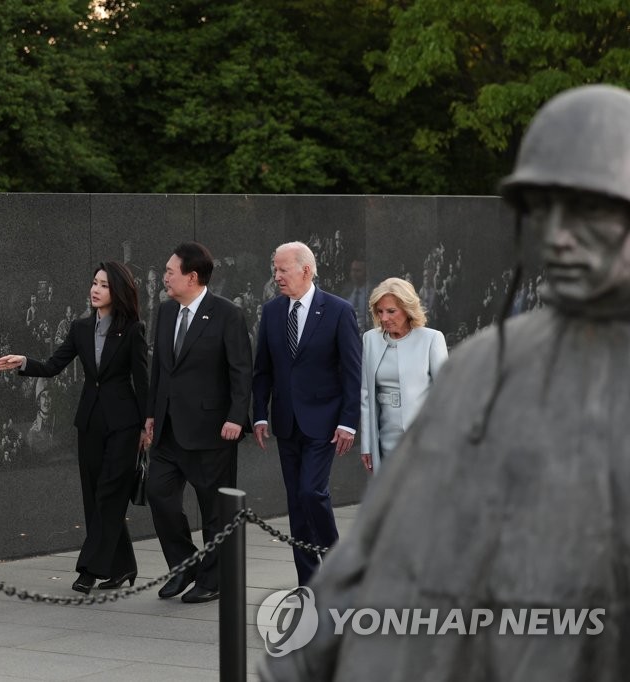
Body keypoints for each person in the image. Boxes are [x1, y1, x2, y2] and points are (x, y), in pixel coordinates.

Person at [261, 84, 630, 682]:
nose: (559, 235)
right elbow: (384, 541)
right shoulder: (489, 364)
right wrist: (306, 656)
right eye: (544, 210)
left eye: (586, 212)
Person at [0, 261, 149, 594]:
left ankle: (89, 569)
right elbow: (53, 366)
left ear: (117, 291)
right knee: (94, 497)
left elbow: (143, 381)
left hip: (124, 426)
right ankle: (124, 567)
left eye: (104, 285)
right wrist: (22, 362)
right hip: (90, 423)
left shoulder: (134, 329)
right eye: (94, 282)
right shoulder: (80, 328)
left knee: (110, 494)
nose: (95, 289)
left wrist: (147, 425)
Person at [144, 243, 252, 603]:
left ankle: (213, 579)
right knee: (159, 496)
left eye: (170, 271)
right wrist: (150, 415)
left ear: (192, 277)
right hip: (168, 431)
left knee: (214, 512)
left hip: (211, 431)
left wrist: (237, 417)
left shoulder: (227, 314)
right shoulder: (165, 311)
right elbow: (159, 368)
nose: (165, 277)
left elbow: (241, 370)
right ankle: (185, 565)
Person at [252, 241, 360, 587]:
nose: (277, 275)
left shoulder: (339, 310)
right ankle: (308, 583)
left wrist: (348, 421)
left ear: (306, 270)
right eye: (275, 269)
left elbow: (352, 371)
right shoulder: (270, 312)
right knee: (296, 504)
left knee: (312, 492)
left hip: (325, 422)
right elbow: (262, 370)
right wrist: (259, 414)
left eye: (283, 269)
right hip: (285, 422)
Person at [360, 277, 448, 474]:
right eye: (380, 311)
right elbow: (365, 395)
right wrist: (367, 444)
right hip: (383, 435)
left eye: (391, 311)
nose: (384, 318)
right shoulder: (370, 340)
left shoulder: (431, 339)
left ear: (408, 310)